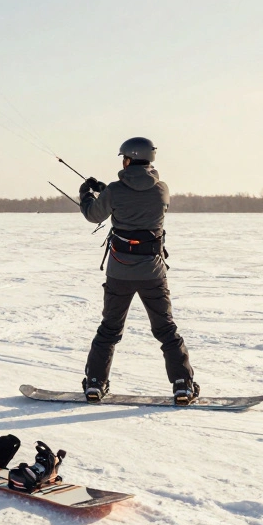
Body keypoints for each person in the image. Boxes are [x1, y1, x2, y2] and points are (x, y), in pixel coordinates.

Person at [78, 137, 198, 405]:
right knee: (166, 329)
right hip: (153, 273)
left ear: (128, 159)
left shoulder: (115, 191)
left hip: (119, 272)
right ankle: (182, 385)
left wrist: (87, 194)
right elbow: (135, 194)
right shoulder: (162, 189)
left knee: (109, 329)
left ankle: (95, 384)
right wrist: (107, 189)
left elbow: (94, 214)